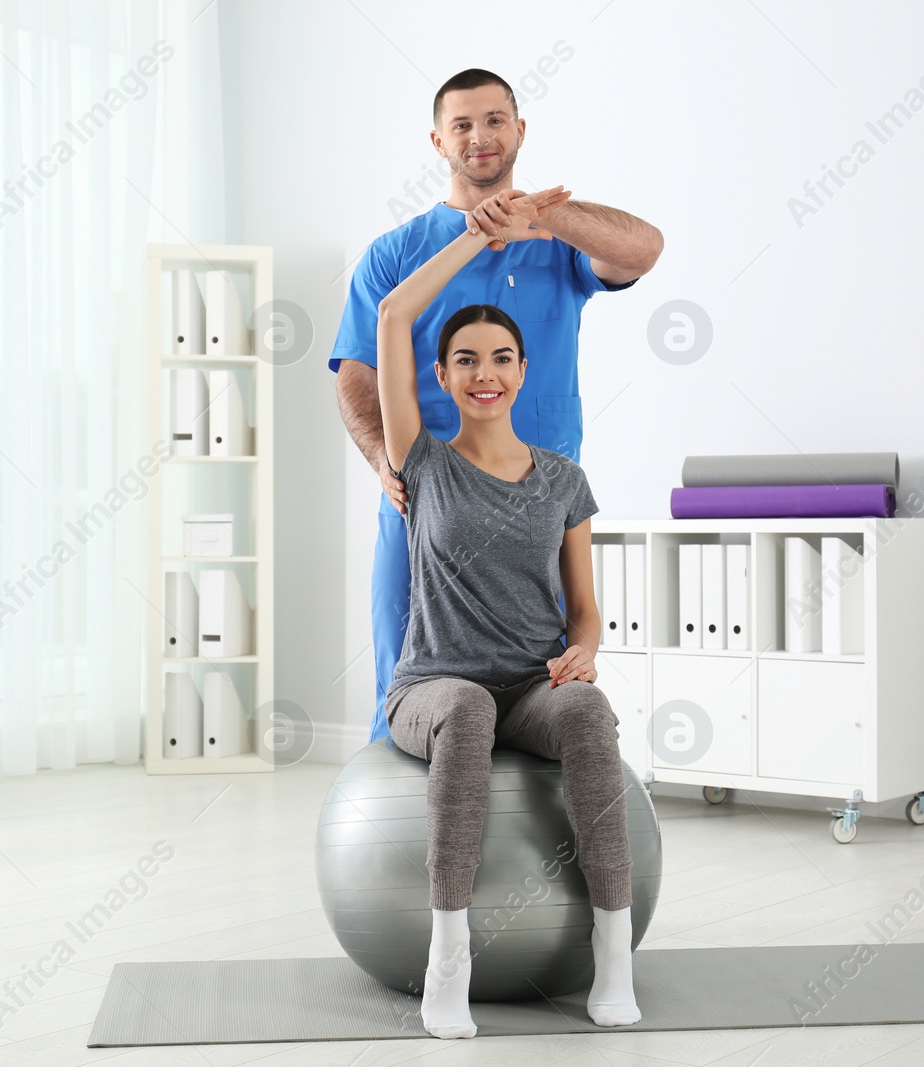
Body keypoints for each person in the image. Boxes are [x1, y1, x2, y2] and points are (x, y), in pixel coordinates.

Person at [329, 67, 663, 748]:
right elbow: (359, 370)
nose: (479, 137)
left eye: (493, 119)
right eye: (462, 125)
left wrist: (540, 214)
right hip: (427, 497)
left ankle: (535, 830)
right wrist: (383, 462)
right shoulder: (396, 254)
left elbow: (644, 249)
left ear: (519, 130)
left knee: (549, 675)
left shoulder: (560, 243)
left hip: (540, 502)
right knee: (406, 670)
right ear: (438, 140)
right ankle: (399, 836)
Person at [376, 185, 639, 1040]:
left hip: (531, 686)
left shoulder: (563, 479)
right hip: (432, 687)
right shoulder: (422, 464)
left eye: (499, 358)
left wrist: (584, 654)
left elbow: (586, 611)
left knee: (589, 710)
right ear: (443, 376)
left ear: (522, 373)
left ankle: (614, 957)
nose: (482, 374)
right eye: (464, 360)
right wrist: (474, 238)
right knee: (466, 702)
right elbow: (391, 312)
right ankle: (448, 961)